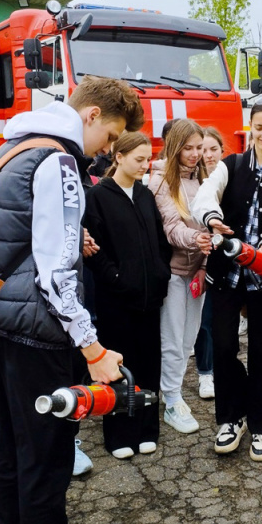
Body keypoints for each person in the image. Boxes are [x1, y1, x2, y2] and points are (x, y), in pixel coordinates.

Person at [0, 75, 142, 524]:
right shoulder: (60, 160)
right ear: (90, 115)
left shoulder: (13, 147)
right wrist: (93, 349)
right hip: (37, 331)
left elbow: (15, 238)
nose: (107, 148)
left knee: (7, 445)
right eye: (109, 135)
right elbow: (57, 275)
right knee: (46, 460)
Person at [191, 96, 262, 462]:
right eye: (259, 128)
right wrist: (212, 218)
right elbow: (205, 194)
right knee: (223, 347)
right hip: (226, 275)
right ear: (250, 127)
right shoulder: (232, 164)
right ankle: (231, 418)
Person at [84, 131, 172, 459]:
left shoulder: (145, 194)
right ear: (118, 157)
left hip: (150, 299)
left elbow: (159, 241)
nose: (144, 165)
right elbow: (94, 250)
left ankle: (148, 428)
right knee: (119, 367)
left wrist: (161, 273)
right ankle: (119, 433)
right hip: (116, 302)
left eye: (147, 159)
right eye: (138, 159)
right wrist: (117, 279)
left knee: (149, 365)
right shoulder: (99, 197)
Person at [148, 120, 212, 434]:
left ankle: (170, 390)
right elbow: (171, 227)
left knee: (189, 338)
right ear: (174, 147)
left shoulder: (204, 179)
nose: (194, 154)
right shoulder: (160, 181)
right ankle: (172, 399)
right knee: (172, 339)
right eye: (188, 148)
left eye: (199, 148)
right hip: (174, 272)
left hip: (200, 270)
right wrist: (195, 239)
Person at [191, 127, 224, 399]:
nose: (208, 154)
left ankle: (217, 369)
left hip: (225, 261)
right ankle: (205, 373)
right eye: (203, 148)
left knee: (217, 321)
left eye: (214, 149)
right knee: (204, 321)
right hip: (196, 260)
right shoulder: (191, 180)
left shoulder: (231, 178)